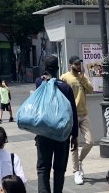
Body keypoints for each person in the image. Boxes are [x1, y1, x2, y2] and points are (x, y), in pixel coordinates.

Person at [34, 55, 78, 193]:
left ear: (45, 68)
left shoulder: (39, 83)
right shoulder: (65, 88)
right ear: (58, 69)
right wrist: (74, 135)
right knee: (59, 169)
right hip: (62, 135)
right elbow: (72, 113)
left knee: (43, 168)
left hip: (44, 132)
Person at [60, 55, 94, 185]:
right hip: (71, 115)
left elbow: (91, 90)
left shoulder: (83, 77)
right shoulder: (65, 77)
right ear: (71, 65)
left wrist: (83, 79)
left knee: (90, 141)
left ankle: (79, 161)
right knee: (74, 143)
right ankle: (76, 171)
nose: (79, 66)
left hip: (84, 114)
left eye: (80, 64)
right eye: (76, 64)